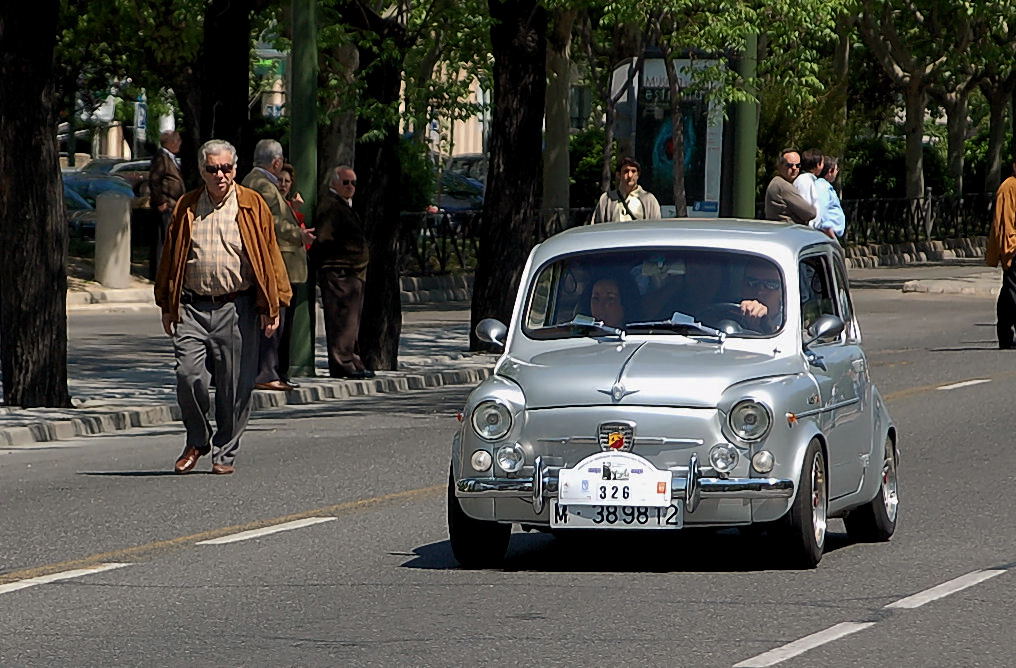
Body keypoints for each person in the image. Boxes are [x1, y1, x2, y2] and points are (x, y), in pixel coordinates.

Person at [154, 139, 291, 475]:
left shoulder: (251, 204)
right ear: (202, 171)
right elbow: (171, 256)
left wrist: (272, 305)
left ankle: (225, 451)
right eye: (212, 169)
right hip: (193, 306)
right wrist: (166, 304)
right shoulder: (187, 205)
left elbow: (269, 255)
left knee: (234, 386)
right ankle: (198, 439)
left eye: (226, 168)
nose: (220, 175)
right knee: (187, 375)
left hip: (236, 306)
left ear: (235, 168)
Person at [241, 139, 313, 391]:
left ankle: (276, 371)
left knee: (280, 321)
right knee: (275, 321)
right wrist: (299, 235)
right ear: (277, 162)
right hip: (277, 263)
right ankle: (267, 372)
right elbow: (270, 222)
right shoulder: (263, 185)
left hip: (280, 263)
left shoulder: (258, 183)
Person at [311, 165, 375, 379]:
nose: (350, 187)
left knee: (351, 320)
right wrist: (343, 261)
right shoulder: (330, 205)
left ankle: (351, 360)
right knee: (342, 320)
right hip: (340, 272)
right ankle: (342, 363)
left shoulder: (343, 205)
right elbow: (324, 238)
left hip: (351, 272)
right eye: (345, 182)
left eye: (353, 183)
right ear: (334, 183)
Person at [985, 157, 1016, 349]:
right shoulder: (1008, 187)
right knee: (1013, 292)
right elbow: (1004, 223)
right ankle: (1005, 335)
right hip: (1013, 247)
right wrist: (1009, 248)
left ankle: (1005, 335)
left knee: (1008, 293)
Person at [148, 130, 185, 278]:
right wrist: (160, 201)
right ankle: (159, 272)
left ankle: (165, 269)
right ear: (171, 143)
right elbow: (155, 180)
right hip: (166, 205)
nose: (180, 144)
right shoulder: (161, 158)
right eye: (178, 141)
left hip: (173, 204)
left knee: (168, 238)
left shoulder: (170, 158)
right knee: (162, 240)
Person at [590, 157, 662, 223]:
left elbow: (656, 229)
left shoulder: (649, 200)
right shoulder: (606, 199)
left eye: (633, 171)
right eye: (626, 171)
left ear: (638, 175)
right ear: (618, 175)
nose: (630, 175)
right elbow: (597, 228)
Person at [764, 149, 816, 225]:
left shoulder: (777, 182)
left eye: (798, 165)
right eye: (789, 165)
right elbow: (810, 213)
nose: (794, 168)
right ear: (780, 166)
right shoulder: (782, 185)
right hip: (788, 231)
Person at [737, 259, 783, 334]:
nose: (760, 291)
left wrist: (768, 326)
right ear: (742, 286)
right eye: (752, 283)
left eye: (770, 284)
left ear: (782, 291)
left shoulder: (791, 322)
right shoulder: (728, 313)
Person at [793, 148, 825, 228]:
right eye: (822, 163)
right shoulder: (804, 181)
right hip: (808, 230)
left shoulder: (809, 180)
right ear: (818, 164)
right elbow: (805, 207)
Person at [815, 156, 846, 240]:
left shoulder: (824, 186)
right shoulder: (822, 186)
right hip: (828, 235)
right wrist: (830, 233)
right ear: (830, 171)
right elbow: (821, 210)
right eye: (836, 169)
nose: (837, 172)